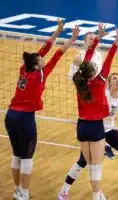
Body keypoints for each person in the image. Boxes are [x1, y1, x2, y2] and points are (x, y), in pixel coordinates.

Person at [5, 20, 79, 200]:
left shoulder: (25, 68)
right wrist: (72, 38)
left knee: (17, 156)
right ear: (37, 66)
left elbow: (45, 48)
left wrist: (57, 31)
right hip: (24, 119)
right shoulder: (41, 73)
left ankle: (17, 190)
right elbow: (59, 52)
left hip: (10, 116)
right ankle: (23, 194)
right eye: (40, 60)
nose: (43, 58)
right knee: (27, 158)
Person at [71, 23, 118, 200]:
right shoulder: (101, 81)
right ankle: (97, 196)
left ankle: (99, 195)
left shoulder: (79, 81)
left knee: (88, 163)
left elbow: (87, 59)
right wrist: (115, 39)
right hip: (96, 128)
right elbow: (109, 57)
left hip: (81, 126)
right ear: (94, 71)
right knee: (96, 166)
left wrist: (97, 41)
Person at [57, 72, 118, 200]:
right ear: (108, 83)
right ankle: (64, 190)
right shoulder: (104, 96)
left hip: (110, 130)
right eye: (114, 78)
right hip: (96, 130)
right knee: (83, 162)